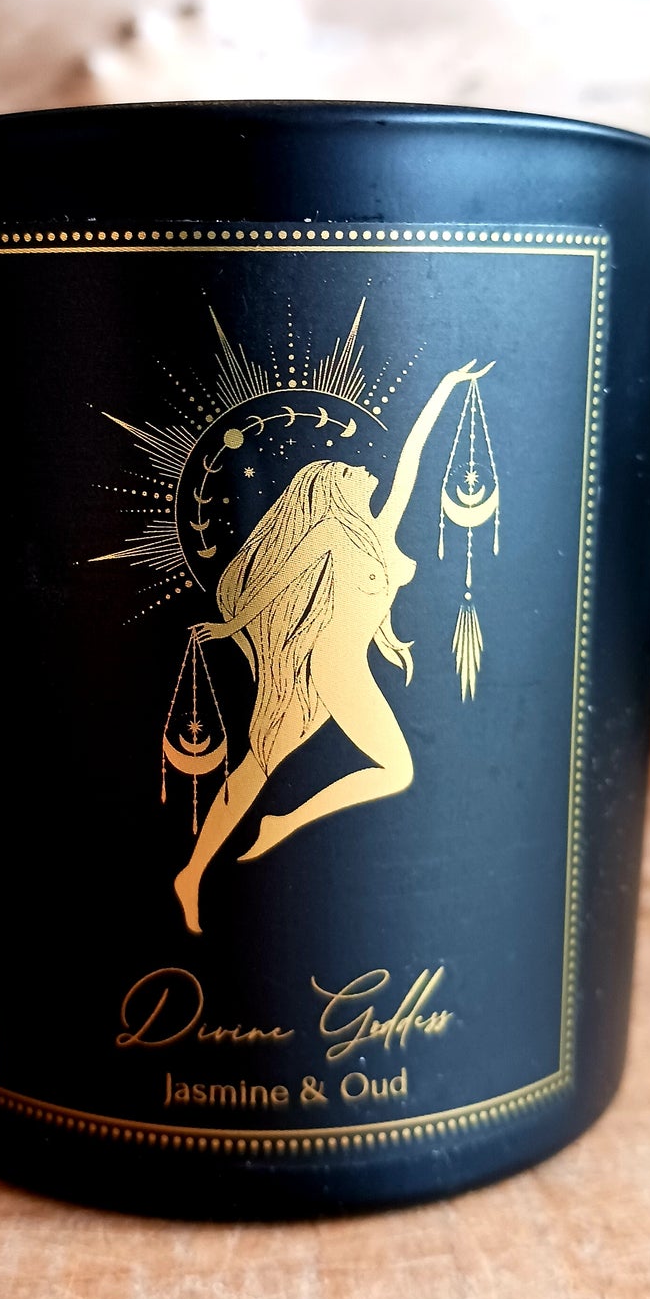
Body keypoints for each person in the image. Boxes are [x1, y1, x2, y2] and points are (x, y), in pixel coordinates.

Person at [173, 359, 491, 933]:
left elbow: (413, 458)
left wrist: (447, 386)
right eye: (348, 469)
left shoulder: (379, 529)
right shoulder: (328, 532)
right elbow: (276, 580)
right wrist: (231, 624)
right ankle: (286, 822)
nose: (364, 470)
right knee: (395, 769)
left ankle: (192, 872)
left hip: (335, 666)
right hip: (335, 666)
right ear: (330, 488)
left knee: (255, 768)